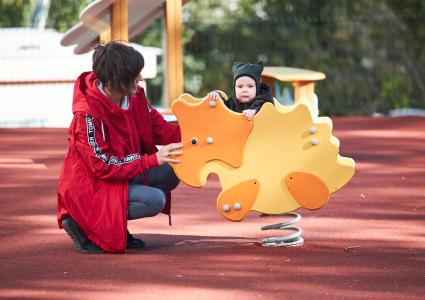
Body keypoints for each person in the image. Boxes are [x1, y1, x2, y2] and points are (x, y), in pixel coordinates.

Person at [57, 41, 182, 254]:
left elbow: (162, 130)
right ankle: (82, 223)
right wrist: (150, 160)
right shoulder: (86, 115)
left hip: (119, 175)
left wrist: (204, 125)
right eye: (135, 75)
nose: (140, 78)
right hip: (91, 188)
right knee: (154, 200)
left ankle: (112, 226)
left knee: (175, 168)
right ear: (118, 80)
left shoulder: (136, 97)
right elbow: (101, 166)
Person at [207, 61, 274, 120]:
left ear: (257, 88)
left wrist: (254, 110)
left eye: (250, 86)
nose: (244, 90)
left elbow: (266, 108)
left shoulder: (263, 100)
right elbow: (223, 107)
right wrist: (216, 96)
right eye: (240, 86)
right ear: (234, 88)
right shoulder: (232, 102)